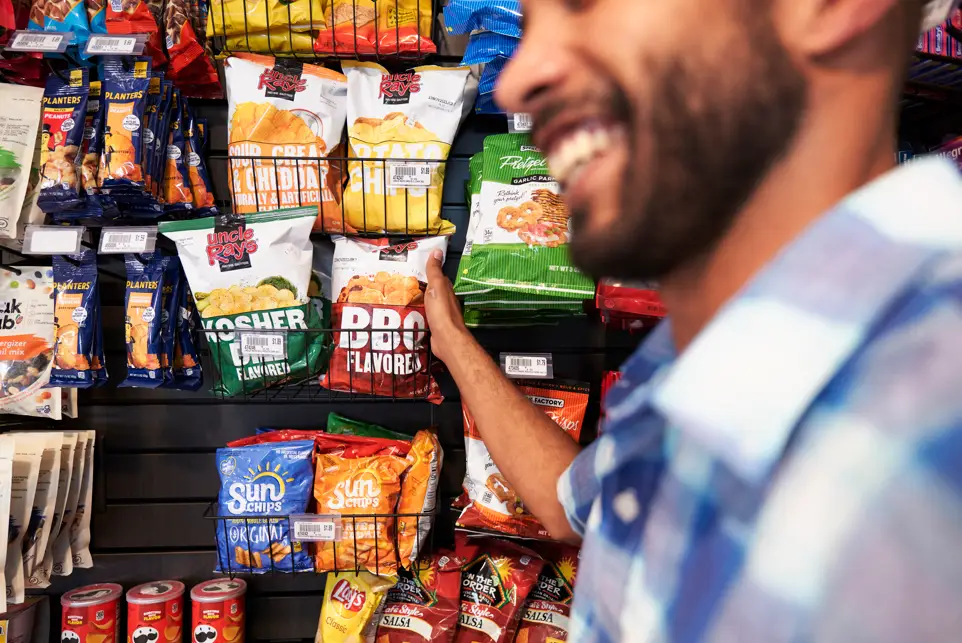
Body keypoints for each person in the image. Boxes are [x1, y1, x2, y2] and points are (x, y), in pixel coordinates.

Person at [424, 0, 962, 640]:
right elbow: (573, 504)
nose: (518, 77)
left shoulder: (936, 421)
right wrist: (454, 341)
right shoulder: (714, 367)